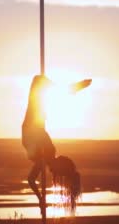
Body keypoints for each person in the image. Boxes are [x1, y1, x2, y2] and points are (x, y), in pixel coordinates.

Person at [22, 74, 91, 215]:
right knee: (39, 82)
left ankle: (71, 89)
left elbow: (31, 179)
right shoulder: (45, 157)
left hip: (35, 122)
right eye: (57, 172)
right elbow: (30, 179)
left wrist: (40, 199)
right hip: (34, 122)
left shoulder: (46, 158)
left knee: (40, 85)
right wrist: (40, 198)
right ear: (59, 164)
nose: (52, 173)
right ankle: (72, 89)